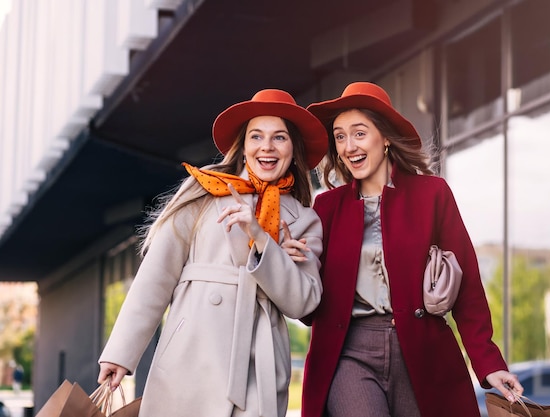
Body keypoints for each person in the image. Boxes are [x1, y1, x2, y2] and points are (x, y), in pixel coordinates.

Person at [98, 88, 328, 417]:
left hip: (256, 369)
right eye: (256, 136)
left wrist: (262, 241)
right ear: (244, 145)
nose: (267, 146)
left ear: (294, 150)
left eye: (280, 138)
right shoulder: (204, 190)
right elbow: (156, 275)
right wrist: (121, 352)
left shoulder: (305, 219)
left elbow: (304, 303)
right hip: (191, 352)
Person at [300, 82, 523, 417]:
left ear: (386, 137)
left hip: (421, 353)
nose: (348, 146)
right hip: (348, 353)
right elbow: (308, 305)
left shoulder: (432, 194)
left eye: (359, 133)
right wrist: (293, 263)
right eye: (340, 136)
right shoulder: (327, 207)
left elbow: (469, 290)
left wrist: (488, 361)